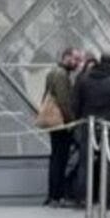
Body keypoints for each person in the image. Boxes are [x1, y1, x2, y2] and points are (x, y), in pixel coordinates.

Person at [43, 47, 80, 207]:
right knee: (60, 159)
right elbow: (64, 101)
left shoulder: (53, 72)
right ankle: (57, 196)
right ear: (66, 57)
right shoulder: (62, 75)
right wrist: (71, 122)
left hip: (53, 121)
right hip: (61, 122)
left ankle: (52, 195)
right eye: (75, 59)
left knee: (55, 158)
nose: (77, 63)